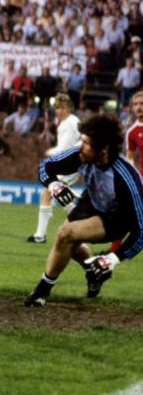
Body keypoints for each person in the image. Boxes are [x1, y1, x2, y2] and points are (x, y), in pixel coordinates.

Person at [24, 115, 143, 306]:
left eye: (86, 142)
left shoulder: (127, 178)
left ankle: (41, 291)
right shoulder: (81, 154)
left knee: (65, 234)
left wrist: (113, 258)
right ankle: (94, 274)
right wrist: (53, 184)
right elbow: (45, 166)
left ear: (103, 149)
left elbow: (141, 230)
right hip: (90, 203)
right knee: (68, 244)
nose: (80, 145)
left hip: (116, 220)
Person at [28, 94, 81, 244]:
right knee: (55, 195)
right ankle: (41, 234)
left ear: (69, 108)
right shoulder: (68, 122)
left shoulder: (70, 123)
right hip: (69, 163)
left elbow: (66, 148)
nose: (59, 111)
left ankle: (40, 235)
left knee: (48, 192)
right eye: (57, 108)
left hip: (70, 165)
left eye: (62, 107)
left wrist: (50, 152)